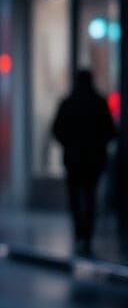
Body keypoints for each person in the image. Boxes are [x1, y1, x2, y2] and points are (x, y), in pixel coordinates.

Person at [51, 69, 117, 255]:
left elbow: (56, 130)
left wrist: (69, 143)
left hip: (73, 159)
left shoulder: (68, 103)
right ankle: (87, 234)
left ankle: (79, 232)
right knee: (90, 196)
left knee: (75, 197)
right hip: (93, 159)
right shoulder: (99, 103)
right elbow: (110, 131)